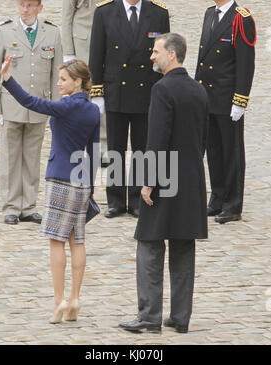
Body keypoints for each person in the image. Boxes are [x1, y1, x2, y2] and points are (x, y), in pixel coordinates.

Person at [119, 33, 208, 334]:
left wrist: (147, 182)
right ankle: (180, 317)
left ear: (172, 54)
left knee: (149, 245)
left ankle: (148, 316)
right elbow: (202, 140)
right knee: (183, 247)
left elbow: (155, 140)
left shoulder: (162, 89)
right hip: (192, 179)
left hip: (165, 179)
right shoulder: (198, 89)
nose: (151, 57)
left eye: (156, 52)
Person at [0, 57, 100, 324]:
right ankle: (76, 298)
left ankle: (59, 301)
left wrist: (8, 79)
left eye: (64, 79)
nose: (59, 83)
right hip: (81, 182)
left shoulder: (64, 107)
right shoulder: (92, 111)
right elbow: (94, 151)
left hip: (60, 179)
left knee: (56, 240)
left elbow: (31, 102)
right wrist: (90, 185)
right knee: (77, 239)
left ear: (78, 81)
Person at [89, 0, 170, 218]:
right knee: (115, 148)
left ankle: (136, 199)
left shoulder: (158, 13)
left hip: (147, 90)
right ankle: (115, 200)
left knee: (141, 149)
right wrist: (97, 92)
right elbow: (96, 54)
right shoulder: (104, 12)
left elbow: (164, 55)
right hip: (116, 90)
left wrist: (164, 89)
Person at [0, 0, 63, 225]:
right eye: (22, 5)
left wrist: (57, 108)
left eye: (30, 5)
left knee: (32, 158)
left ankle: (28, 206)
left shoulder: (52, 32)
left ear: (40, 7)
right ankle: (11, 206)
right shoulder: (4, 31)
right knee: (10, 158)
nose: (25, 10)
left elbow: (57, 74)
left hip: (39, 105)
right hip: (11, 106)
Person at [195, 1, 256, 224]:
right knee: (214, 151)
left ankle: (232, 204)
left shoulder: (241, 18)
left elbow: (245, 62)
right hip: (208, 96)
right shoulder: (210, 14)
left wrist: (240, 99)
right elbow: (203, 58)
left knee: (232, 152)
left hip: (227, 97)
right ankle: (217, 197)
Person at [61, 0, 108, 166]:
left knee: (105, 93)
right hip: (84, 43)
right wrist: (68, 52)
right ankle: (78, 143)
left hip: (110, 39)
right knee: (83, 93)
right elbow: (66, 17)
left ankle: (103, 147)